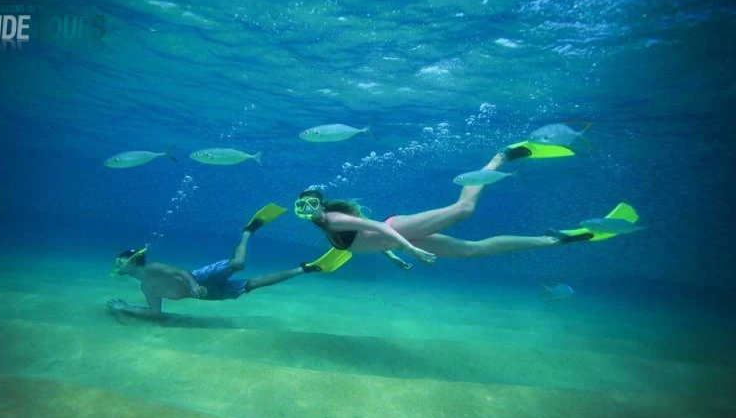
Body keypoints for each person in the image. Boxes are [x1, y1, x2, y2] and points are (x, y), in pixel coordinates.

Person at [293, 143, 639, 264]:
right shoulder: (327, 227)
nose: (309, 211)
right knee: (472, 250)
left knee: (463, 209)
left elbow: (379, 228)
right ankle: (556, 239)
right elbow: (370, 241)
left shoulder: (334, 219)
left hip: (400, 230)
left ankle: (497, 160)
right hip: (401, 239)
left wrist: (408, 250)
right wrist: (396, 256)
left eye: (311, 204)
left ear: (321, 204)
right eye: (302, 208)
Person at [106, 204, 342, 317]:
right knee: (251, 285)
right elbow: (155, 312)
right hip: (204, 294)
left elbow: (182, 272)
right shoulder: (146, 287)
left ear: (133, 261)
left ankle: (248, 231)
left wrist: (193, 285)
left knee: (238, 264)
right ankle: (305, 269)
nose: (117, 265)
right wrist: (124, 308)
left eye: (120, 261)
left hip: (199, 279)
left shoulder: (153, 268)